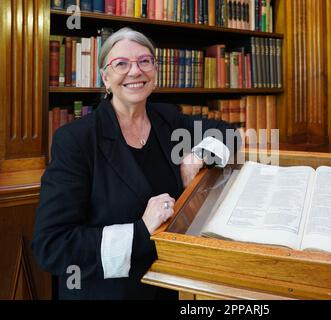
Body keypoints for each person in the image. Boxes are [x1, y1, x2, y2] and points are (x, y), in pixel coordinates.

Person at [32, 27, 240, 300]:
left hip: (169, 282)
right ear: (105, 78)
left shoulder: (168, 118)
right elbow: (52, 245)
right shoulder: (76, 139)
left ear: (155, 70)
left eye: (145, 61)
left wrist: (197, 156)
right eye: (121, 64)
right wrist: (140, 231)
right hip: (109, 291)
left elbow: (228, 132)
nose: (135, 71)